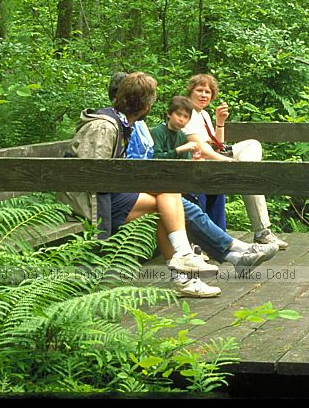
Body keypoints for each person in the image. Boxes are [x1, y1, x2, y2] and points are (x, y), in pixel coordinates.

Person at [65, 72, 222, 297]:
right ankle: (184, 268)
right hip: (87, 199)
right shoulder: (104, 127)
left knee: (166, 196)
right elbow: (91, 176)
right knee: (165, 198)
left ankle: (183, 262)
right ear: (146, 106)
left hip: (110, 192)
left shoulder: (123, 124)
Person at [144, 93, 280, 275]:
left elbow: (199, 155)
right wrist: (180, 150)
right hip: (161, 185)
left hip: (177, 183)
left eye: (185, 117)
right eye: (179, 115)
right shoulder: (158, 133)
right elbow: (153, 160)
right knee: (194, 204)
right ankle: (236, 250)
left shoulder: (187, 131)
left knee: (213, 190)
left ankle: (236, 254)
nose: (182, 120)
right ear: (169, 114)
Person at [183, 73, 288, 250]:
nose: (203, 95)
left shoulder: (204, 114)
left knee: (252, 144)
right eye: (199, 90)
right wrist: (229, 163)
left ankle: (246, 173)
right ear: (190, 92)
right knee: (249, 175)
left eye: (207, 92)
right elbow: (203, 150)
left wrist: (220, 122)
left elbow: (218, 146)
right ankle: (261, 229)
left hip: (214, 158)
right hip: (197, 164)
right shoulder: (186, 113)